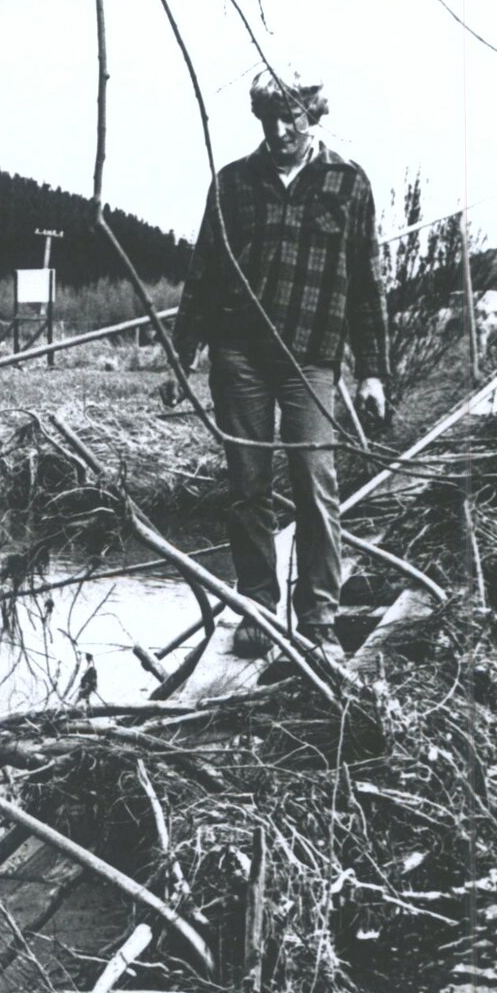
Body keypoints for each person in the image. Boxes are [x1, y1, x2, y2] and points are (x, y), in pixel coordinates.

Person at [168, 65, 390, 666]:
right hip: (238, 358)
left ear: (313, 115)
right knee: (248, 489)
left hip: (312, 359)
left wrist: (373, 370)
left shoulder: (348, 183)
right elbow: (202, 275)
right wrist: (179, 356)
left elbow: (368, 284)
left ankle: (318, 618)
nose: (281, 128)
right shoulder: (233, 184)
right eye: (270, 117)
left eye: (292, 116)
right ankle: (258, 610)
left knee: (317, 488)